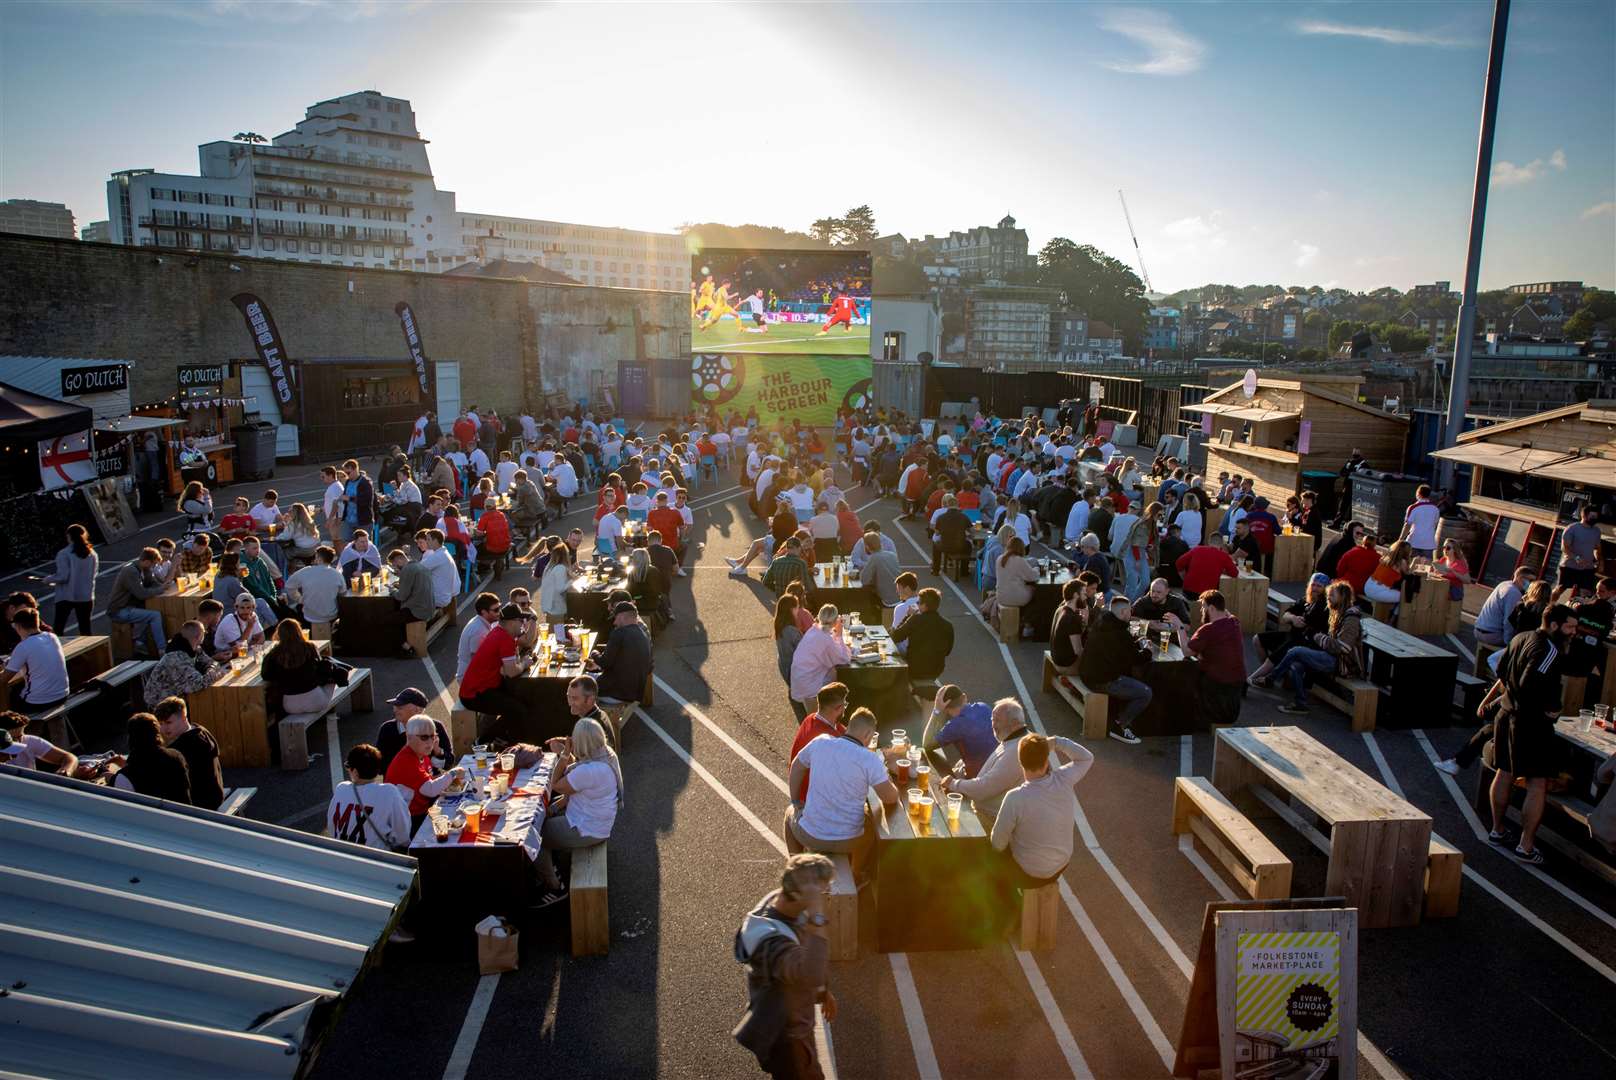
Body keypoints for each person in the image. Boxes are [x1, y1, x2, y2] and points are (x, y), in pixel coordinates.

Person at [1487, 603, 1579, 864]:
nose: (1573, 632)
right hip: (1530, 724)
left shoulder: (1520, 637)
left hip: (1506, 715)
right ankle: (1526, 846)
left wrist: (1509, 700)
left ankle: (1497, 830)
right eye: (1569, 627)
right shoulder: (1549, 650)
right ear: (1553, 625)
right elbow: (1530, 684)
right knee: (1537, 784)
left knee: (1504, 772)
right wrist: (1550, 708)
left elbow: (1501, 670)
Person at [734, 854, 840, 1080]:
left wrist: (822, 991)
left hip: (796, 1027)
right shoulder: (769, 941)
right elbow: (809, 973)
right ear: (799, 894)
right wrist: (816, 915)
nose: (824, 900)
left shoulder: (783, 903)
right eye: (822, 894)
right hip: (785, 1039)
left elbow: (807, 954)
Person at [785, 706, 899, 883]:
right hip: (851, 841)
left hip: (812, 836)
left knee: (788, 814)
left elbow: (796, 767)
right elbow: (890, 798)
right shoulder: (869, 759)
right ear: (869, 735)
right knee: (871, 819)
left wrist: (796, 801)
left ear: (849, 727)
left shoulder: (820, 742)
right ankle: (856, 874)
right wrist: (889, 770)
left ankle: (795, 869)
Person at [990, 733, 1095, 916]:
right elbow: (1086, 757)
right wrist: (1055, 742)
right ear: (1046, 762)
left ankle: (1010, 913)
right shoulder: (1064, 779)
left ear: (1021, 764)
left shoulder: (1015, 797)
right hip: (1060, 865)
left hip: (1027, 872)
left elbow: (997, 843)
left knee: (991, 859)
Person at [534, 716, 624, 908]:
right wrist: (554, 808)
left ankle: (555, 887)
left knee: (534, 837)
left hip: (588, 828)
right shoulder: (605, 754)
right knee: (544, 818)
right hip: (595, 819)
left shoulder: (589, 771)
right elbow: (576, 786)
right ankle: (551, 864)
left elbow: (555, 785)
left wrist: (565, 755)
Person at [942, 698, 1085, 817]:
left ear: (1015, 725)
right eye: (992, 719)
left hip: (991, 818)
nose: (993, 725)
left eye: (997, 721)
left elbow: (985, 788)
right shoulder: (1014, 739)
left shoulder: (1018, 750)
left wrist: (954, 784)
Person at [1260, 581, 1365, 716]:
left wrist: (1317, 636)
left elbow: (1342, 648)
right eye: (1328, 595)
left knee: (1296, 651)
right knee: (1297, 664)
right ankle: (1300, 704)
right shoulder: (1336, 612)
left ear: (1342, 597)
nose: (1328, 598)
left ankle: (1271, 678)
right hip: (1331, 656)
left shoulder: (1351, 618)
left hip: (1343, 663)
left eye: (1332, 595)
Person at [1077, 596, 1150, 744]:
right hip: (1101, 680)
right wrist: (1147, 651)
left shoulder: (1102, 621)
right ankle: (1119, 726)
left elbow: (1121, 651)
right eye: (1130, 611)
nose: (1131, 614)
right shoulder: (1120, 632)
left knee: (1128, 677)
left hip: (1087, 673)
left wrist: (1133, 644)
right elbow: (1136, 659)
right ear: (1123, 612)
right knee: (1145, 693)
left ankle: (1117, 715)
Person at [384, 714, 468, 833]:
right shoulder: (406, 761)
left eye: (432, 737)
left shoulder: (420, 754)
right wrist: (452, 774)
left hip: (419, 811)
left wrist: (448, 776)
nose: (430, 742)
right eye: (424, 737)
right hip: (408, 821)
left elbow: (428, 780)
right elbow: (430, 789)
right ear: (409, 737)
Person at [1250, 573, 1331, 684]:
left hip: (1306, 642)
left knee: (1276, 655)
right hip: (1293, 636)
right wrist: (1293, 618)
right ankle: (1273, 674)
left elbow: (1307, 623)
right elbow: (1285, 616)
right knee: (1257, 639)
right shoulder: (1305, 600)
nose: (1315, 588)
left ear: (1325, 589)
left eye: (1319, 586)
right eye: (1313, 585)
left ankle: (1254, 678)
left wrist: (1298, 621)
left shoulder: (1324, 606)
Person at [1179, 591, 1246, 726]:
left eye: (1203, 607)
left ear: (1211, 608)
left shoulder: (1208, 630)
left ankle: (1189, 712)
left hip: (1217, 685)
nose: (1202, 610)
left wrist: (1179, 627)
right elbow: (1226, 612)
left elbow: (1186, 651)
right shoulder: (1234, 622)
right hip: (1237, 683)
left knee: (1187, 664)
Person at [152, 696, 223, 812]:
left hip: (202, 804)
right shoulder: (201, 731)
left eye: (169, 722)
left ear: (184, 718)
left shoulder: (181, 748)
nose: (164, 729)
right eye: (161, 723)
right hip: (215, 794)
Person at [261, 619, 341, 716]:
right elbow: (320, 668)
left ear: (279, 634)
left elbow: (265, 675)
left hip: (290, 706)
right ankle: (331, 716)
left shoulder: (274, 653)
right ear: (299, 631)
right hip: (316, 702)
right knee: (331, 679)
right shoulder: (309, 647)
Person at [787, 682, 850, 801]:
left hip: (802, 791)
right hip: (814, 799)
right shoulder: (829, 739)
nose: (845, 708)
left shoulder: (811, 719)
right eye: (844, 705)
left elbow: (844, 731)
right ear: (838, 708)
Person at [921, 685, 998, 779]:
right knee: (959, 765)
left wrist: (936, 710)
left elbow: (927, 745)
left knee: (943, 781)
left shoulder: (956, 725)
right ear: (964, 697)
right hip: (997, 766)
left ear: (945, 709)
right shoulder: (984, 707)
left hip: (978, 777)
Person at [113, 712, 191, 803]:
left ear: (131, 738)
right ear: (157, 733)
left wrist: (113, 779)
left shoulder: (125, 777)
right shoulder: (177, 756)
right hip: (183, 815)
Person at [4, 608, 69, 715]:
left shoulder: (23, 647)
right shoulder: (52, 637)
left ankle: (13, 727)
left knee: (10, 696)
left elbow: (4, 679)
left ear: (18, 626)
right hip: (62, 695)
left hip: (38, 702)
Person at [106, 547, 168, 657]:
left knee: (152, 611)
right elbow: (141, 594)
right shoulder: (130, 571)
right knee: (155, 616)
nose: (153, 568)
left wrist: (162, 586)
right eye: (153, 565)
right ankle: (162, 649)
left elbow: (153, 583)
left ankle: (140, 642)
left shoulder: (144, 569)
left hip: (132, 606)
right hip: (119, 610)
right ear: (147, 561)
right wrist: (160, 589)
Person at [593, 601, 653, 711]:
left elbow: (605, 662)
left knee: (578, 684)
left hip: (615, 694)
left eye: (615, 618)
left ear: (621, 616)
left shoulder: (619, 633)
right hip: (635, 694)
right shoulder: (643, 635)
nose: (614, 622)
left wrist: (594, 654)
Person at [374, 687, 453, 772]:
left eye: (400, 706)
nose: (395, 709)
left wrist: (438, 751)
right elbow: (379, 766)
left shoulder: (436, 727)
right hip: (396, 783)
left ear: (417, 710)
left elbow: (448, 764)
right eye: (395, 705)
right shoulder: (387, 729)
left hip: (428, 781)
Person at [889, 587, 954, 683]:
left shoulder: (915, 620)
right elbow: (948, 651)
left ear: (924, 605)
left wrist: (908, 616)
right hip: (936, 669)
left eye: (918, 603)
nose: (917, 605)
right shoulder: (948, 625)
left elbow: (895, 637)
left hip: (915, 668)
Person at [47, 524, 98, 637]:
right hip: (86, 595)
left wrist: (49, 579)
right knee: (85, 629)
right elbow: (94, 573)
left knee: (59, 628)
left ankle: (59, 652)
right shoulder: (92, 553)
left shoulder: (64, 554)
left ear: (69, 536)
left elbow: (63, 576)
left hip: (66, 596)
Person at [0, 709, 78, 776]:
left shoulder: (29, 741)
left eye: (20, 736)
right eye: (13, 738)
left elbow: (70, 757)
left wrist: (66, 770)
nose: (18, 741)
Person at [1474, 566, 1534, 650]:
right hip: (1491, 634)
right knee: (1522, 645)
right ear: (1521, 578)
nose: (1531, 584)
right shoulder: (1514, 593)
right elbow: (1508, 621)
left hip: (1478, 630)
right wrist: (1508, 644)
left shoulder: (1505, 584)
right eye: (1530, 580)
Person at [285, 545, 344, 627]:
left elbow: (289, 585)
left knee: (298, 607)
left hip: (310, 616)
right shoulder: (337, 574)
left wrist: (299, 599)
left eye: (316, 557)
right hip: (331, 616)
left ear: (319, 559)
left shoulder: (306, 571)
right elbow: (343, 594)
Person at [1556, 503, 1604, 602]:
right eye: (1592, 516)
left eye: (1596, 516)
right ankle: (1549, 605)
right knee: (1560, 589)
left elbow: (1597, 548)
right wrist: (1577, 558)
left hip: (1587, 568)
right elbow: (1564, 548)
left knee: (1585, 593)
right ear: (1584, 516)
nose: (1594, 518)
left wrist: (1600, 561)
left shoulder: (1596, 531)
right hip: (1569, 566)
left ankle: (1577, 611)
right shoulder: (1572, 528)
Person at [1176, 533, 1237, 604]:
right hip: (1207, 595)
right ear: (1222, 544)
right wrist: (1222, 571)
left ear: (1209, 541)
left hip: (1188, 591)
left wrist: (1184, 577)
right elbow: (1235, 573)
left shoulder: (1197, 549)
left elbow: (1178, 562)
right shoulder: (1224, 556)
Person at [775, 595, 807, 721]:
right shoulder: (792, 631)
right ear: (791, 610)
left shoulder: (780, 627)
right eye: (797, 607)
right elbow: (805, 652)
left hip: (786, 671)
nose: (798, 610)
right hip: (795, 676)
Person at [857, 533, 903, 612]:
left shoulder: (874, 558)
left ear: (867, 546)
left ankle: (873, 619)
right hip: (900, 596)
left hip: (887, 600)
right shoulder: (892, 555)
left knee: (864, 595)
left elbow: (864, 580)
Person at [1362, 540, 1412, 611]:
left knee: (1398, 591)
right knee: (1407, 596)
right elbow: (1409, 576)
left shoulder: (1387, 558)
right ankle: (1394, 618)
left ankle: (1392, 614)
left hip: (1367, 586)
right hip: (1377, 591)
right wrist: (1415, 562)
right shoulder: (1402, 562)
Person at [417, 529, 459, 610]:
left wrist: (406, 556)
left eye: (428, 539)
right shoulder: (442, 552)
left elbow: (416, 569)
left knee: (408, 598)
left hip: (439, 599)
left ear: (435, 541)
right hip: (447, 594)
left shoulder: (437, 556)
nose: (427, 541)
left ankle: (422, 621)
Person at [1334, 529, 1381, 598]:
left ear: (1363, 541)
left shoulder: (1352, 552)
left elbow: (1340, 568)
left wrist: (1340, 578)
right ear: (1374, 544)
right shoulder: (1378, 558)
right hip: (1364, 587)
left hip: (1346, 583)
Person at [1400, 484, 1442, 558]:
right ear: (1428, 495)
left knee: (1409, 565)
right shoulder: (1435, 509)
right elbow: (1435, 525)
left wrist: (1400, 540)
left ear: (1418, 494)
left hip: (1413, 542)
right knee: (1426, 567)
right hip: (1429, 544)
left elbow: (1407, 525)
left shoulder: (1412, 508)